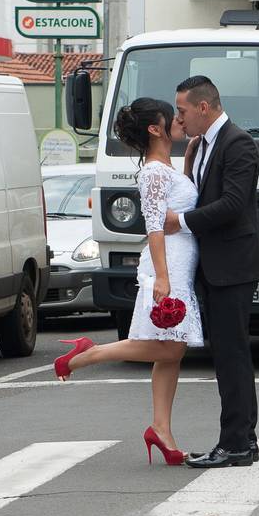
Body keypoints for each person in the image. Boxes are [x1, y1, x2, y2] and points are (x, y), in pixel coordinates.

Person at [52, 97, 204, 466]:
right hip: (167, 266)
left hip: (178, 265)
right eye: (172, 116)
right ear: (156, 129)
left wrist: (187, 161)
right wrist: (163, 278)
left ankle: (161, 430)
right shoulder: (153, 172)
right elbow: (154, 225)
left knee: (172, 352)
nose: (179, 119)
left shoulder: (167, 167)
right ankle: (85, 356)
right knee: (168, 348)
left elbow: (178, 200)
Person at [164, 75, 259, 469]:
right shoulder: (202, 145)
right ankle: (244, 442)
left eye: (183, 110)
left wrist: (181, 221)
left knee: (232, 356)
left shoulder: (237, 143)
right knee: (228, 355)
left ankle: (236, 443)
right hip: (216, 266)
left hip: (233, 267)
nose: (180, 117)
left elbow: (233, 204)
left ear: (203, 107)